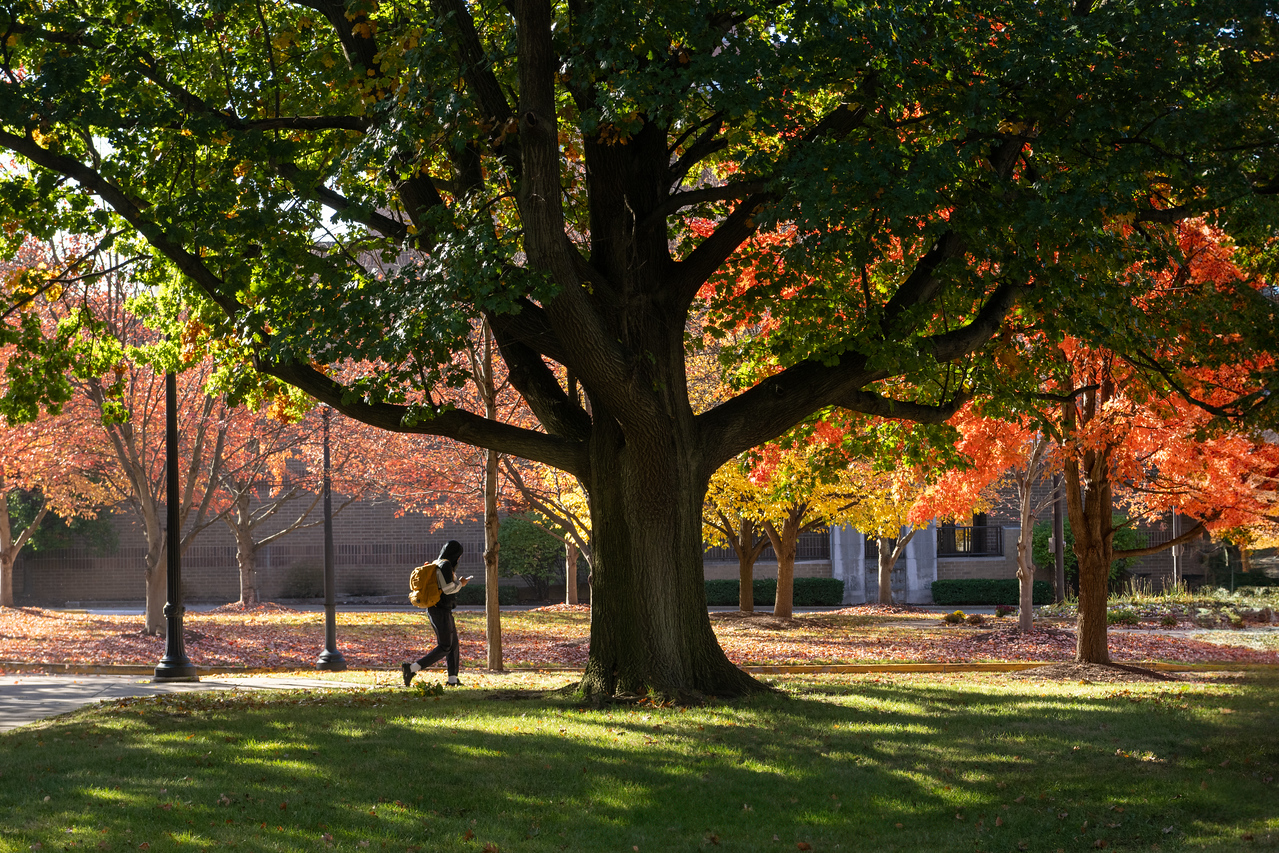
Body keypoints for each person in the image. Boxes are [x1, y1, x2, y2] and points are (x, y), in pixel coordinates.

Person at [402, 540, 470, 687]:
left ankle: (453, 679)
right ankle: (412, 668)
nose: (459, 559)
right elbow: (447, 589)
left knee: (453, 644)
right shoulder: (445, 565)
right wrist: (461, 584)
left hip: (439, 609)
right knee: (445, 646)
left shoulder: (438, 562)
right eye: (459, 556)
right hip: (439, 610)